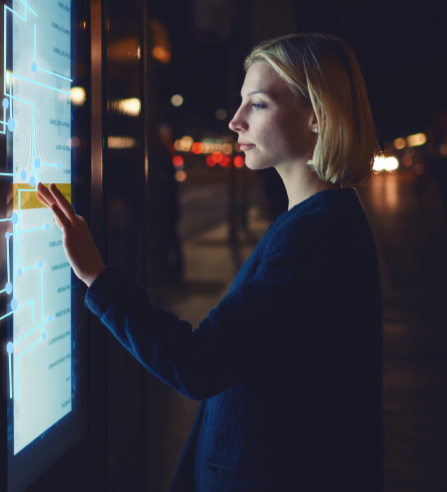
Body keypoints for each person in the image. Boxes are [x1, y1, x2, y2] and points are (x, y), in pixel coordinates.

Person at [39, 33, 383, 491]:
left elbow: (198, 363)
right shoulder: (322, 222)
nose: (236, 121)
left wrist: (97, 278)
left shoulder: (313, 236)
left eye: (257, 105)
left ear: (316, 116)